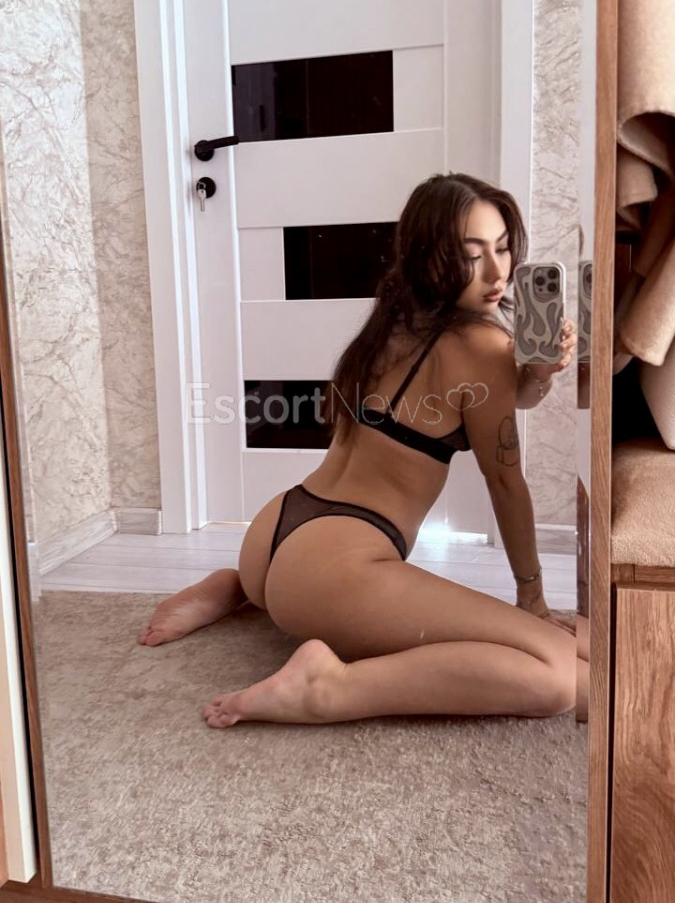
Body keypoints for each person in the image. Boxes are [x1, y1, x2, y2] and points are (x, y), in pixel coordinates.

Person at [139, 172, 588, 727]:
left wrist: (537, 374)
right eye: (473, 256)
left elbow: (491, 398)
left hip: (273, 537)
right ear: (431, 257)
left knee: (574, 656)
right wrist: (532, 598)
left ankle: (238, 588)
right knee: (561, 678)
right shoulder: (483, 345)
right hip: (331, 571)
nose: (498, 273)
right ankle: (329, 687)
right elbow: (505, 482)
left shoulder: (393, 321)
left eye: (502, 248)